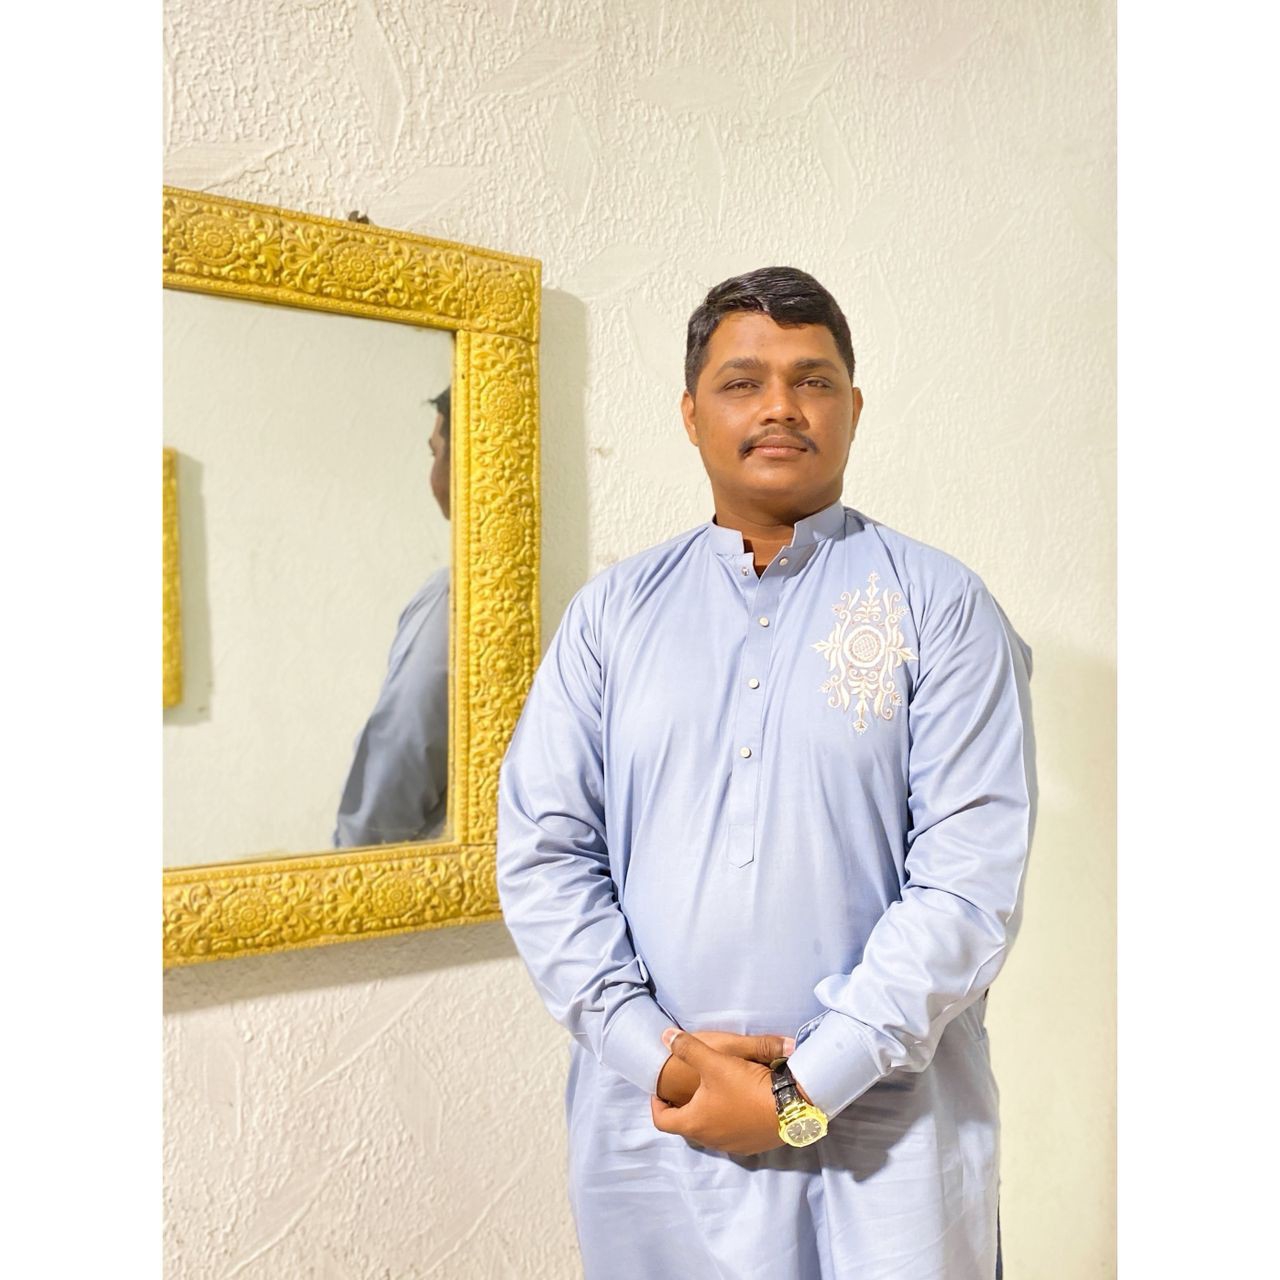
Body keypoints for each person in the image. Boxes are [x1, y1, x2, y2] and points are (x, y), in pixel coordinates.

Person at [496, 268, 1036, 1278]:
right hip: (659, 1127)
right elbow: (543, 855)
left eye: (812, 380)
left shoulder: (942, 607)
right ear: (690, 413)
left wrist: (799, 1091)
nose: (780, 406)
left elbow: (966, 888)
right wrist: (655, 1052)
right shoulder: (611, 616)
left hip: (885, 1136)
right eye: (743, 381)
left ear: (853, 408)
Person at [334, 389, 452, 847]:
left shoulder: (452, 599)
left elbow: (404, 747)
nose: (432, 475)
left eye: (435, 453)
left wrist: (354, 867)